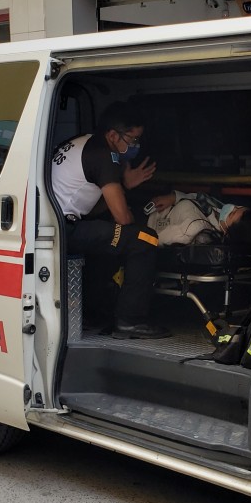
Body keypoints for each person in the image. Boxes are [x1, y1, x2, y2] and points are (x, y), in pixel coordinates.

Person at [51, 103, 169, 339]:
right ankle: (130, 321)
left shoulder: (84, 141)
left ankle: (96, 312)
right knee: (143, 239)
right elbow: (123, 218)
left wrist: (123, 185)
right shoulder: (105, 155)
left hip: (56, 224)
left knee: (110, 238)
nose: (136, 146)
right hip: (65, 229)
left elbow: (93, 208)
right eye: (133, 140)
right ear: (113, 135)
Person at [147, 191, 251, 247]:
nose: (231, 208)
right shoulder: (216, 210)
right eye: (237, 207)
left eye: (231, 214)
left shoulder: (196, 231)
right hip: (152, 208)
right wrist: (173, 198)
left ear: (227, 234)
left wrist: (136, 233)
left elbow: (153, 239)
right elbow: (196, 198)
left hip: (145, 225)